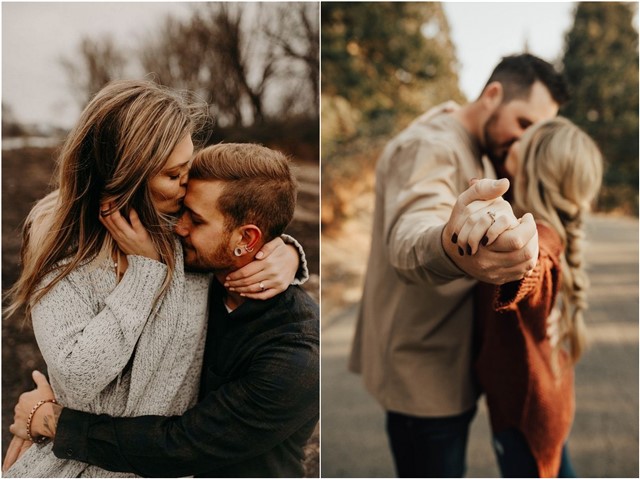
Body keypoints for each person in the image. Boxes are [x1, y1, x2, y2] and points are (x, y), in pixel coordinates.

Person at [2, 81, 305, 477]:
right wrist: (144, 274)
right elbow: (78, 379)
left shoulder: (181, 242)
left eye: (188, 168)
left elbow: (235, 237)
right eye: (173, 174)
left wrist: (284, 251)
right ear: (127, 174)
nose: (186, 185)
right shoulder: (63, 255)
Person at [348, 53, 570, 477]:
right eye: (523, 124)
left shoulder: (478, 146)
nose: (523, 143)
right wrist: (453, 247)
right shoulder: (431, 146)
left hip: (453, 368)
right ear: (493, 95)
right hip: (425, 383)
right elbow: (409, 236)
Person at [458, 118, 602, 477]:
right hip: (547, 401)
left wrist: (517, 255)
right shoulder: (551, 228)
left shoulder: (540, 236)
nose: (515, 139)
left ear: (537, 164)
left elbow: (534, 264)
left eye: (527, 137)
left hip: (525, 418)